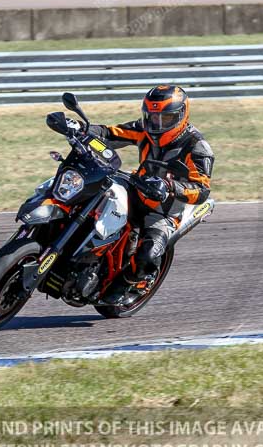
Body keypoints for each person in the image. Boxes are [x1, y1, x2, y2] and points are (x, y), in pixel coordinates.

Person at [88, 85, 214, 306]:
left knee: (148, 254)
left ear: (181, 116)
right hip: (135, 190)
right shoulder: (145, 128)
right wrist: (82, 129)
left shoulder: (197, 147)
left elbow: (202, 189)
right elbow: (111, 133)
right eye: (152, 117)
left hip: (163, 210)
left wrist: (171, 186)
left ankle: (138, 281)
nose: (157, 125)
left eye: (164, 119)